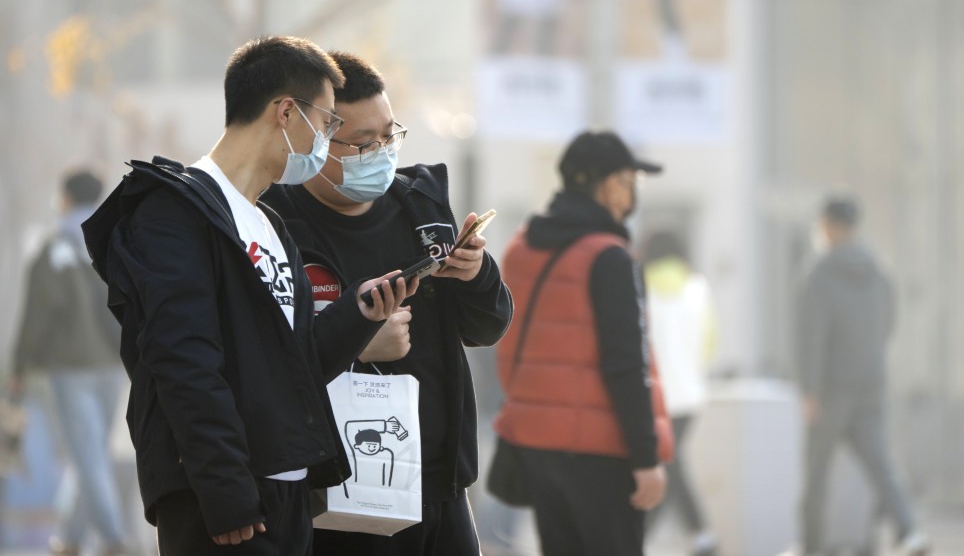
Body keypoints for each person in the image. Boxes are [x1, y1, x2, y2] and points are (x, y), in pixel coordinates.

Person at [81, 36, 416, 556]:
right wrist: (225, 491)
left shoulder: (270, 223)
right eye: (327, 122)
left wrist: (356, 315)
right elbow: (183, 362)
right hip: (225, 501)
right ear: (287, 112)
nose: (327, 139)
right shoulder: (174, 214)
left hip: (287, 489)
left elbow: (291, 364)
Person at [260, 51, 512, 555]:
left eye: (389, 135)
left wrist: (478, 275)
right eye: (363, 143)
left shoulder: (419, 205)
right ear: (318, 140)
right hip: (338, 494)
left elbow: (486, 328)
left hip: (439, 484)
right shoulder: (274, 225)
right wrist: (355, 343)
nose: (381, 152)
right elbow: (264, 358)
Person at [494, 130, 674, 556]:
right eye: (632, 182)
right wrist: (647, 460)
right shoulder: (610, 258)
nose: (632, 194)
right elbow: (627, 364)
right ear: (610, 183)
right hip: (603, 454)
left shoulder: (521, 248)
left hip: (538, 447)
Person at [793, 193, 929, 556]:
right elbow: (889, 324)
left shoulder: (819, 273)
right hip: (871, 383)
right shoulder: (880, 271)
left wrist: (809, 390)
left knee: (817, 473)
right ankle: (910, 532)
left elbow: (812, 337)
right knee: (881, 464)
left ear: (827, 225)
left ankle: (811, 546)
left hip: (830, 389)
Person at [9, 169, 133, 556]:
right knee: (90, 454)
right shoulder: (109, 240)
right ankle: (72, 540)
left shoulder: (54, 248)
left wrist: (19, 366)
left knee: (89, 455)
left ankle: (114, 540)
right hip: (113, 367)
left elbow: (37, 315)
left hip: (71, 369)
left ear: (65, 198)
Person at [641, 230, 718, 556]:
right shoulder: (697, 287)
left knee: (666, 467)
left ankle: (643, 536)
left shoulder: (639, 285)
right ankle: (701, 536)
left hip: (653, 396)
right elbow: (709, 343)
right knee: (670, 465)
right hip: (690, 396)